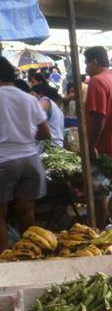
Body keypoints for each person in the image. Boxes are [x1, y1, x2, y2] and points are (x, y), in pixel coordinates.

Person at [0, 56, 51, 252]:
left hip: (4, 161)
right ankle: (32, 253)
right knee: (27, 211)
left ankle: (4, 263)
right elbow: (45, 133)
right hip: (31, 161)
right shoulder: (29, 98)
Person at [83, 46, 112, 227]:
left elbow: (99, 117)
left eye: (87, 63)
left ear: (94, 61)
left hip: (103, 149)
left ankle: (96, 231)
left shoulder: (97, 81)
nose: (86, 68)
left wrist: (90, 145)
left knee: (98, 196)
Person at [31, 82, 64, 148]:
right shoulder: (56, 108)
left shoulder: (44, 100)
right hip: (56, 145)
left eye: (32, 94)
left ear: (40, 94)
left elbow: (37, 113)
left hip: (49, 146)